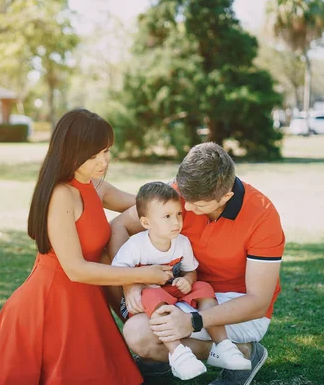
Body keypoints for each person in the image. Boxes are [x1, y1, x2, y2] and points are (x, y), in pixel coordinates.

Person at [0, 109, 173, 385]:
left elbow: (143, 205)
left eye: (106, 151)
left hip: (85, 300)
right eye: (93, 156)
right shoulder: (62, 195)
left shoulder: (96, 186)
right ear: (70, 152)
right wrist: (144, 275)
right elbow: (75, 270)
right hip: (49, 302)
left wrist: (178, 200)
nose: (103, 161)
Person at [108, 142, 285, 385]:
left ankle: (245, 352)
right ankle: (207, 355)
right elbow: (120, 225)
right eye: (184, 198)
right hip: (186, 295)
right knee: (140, 332)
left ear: (226, 196)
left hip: (239, 306)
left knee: (143, 336)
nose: (186, 209)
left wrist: (193, 322)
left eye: (197, 205)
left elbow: (257, 302)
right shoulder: (180, 193)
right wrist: (130, 283)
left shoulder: (262, 216)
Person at [111, 181, 251, 381]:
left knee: (203, 287)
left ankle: (225, 345)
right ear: (146, 222)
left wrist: (187, 280)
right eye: (167, 217)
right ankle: (178, 352)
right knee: (153, 294)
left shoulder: (182, 242)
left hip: (174, 291)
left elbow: (191, 271)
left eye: (178, 214)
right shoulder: (136, 245)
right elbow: (118, 272)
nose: (175, 222)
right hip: (147, 295)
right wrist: (132, 286)